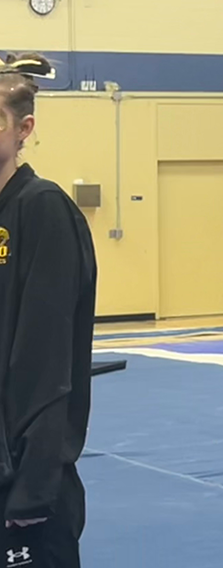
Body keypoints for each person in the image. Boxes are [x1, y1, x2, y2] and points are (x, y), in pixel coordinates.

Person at [0, 54, 98, 568]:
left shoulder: (43, 210)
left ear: (24, 129)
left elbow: (47, 361)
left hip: (23, 487)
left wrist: (35, 486)